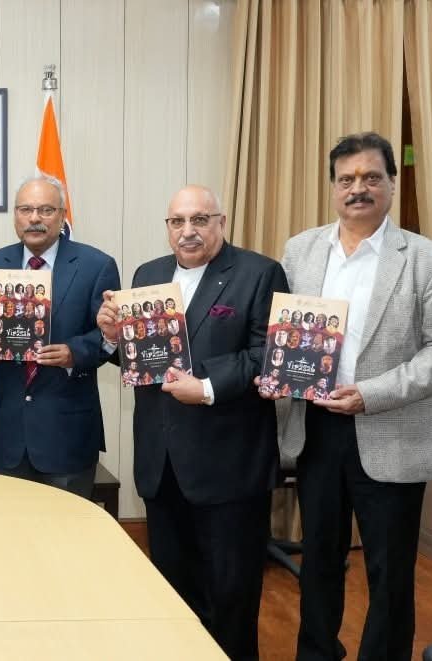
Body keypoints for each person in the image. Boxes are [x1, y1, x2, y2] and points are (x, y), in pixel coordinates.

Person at [267, 132, 432, 661]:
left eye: (371, 177)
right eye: (346, 179)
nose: (358, 188)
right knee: (319, 558)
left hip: (390, 429)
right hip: (315, 428)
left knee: (389, 570)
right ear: (333, 187)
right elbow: (283, 331)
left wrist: (371, 394)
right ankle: (317, 653)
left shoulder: (430, 260)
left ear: (391, 183)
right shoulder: (300, 250)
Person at [96, 185, 288, 660]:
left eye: (200, 219)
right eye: (178, 221)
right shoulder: (148, 275)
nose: (188, 231)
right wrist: (113, 338)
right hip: (161, 466)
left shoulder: (259, 273)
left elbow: (268, 353)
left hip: (229, 467)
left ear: (221, 222)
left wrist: (205, 387)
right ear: (167, 227)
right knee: (172, 593)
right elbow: (141, 360)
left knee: (231, 596)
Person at [0, 177, 119, 497]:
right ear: (15, 216)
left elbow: (109, 335)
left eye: (46, 210)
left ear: (62, 216)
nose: (34, 218)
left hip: (68, 434)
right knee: (10, 526)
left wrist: (74, 353)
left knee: (67, 528)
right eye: (26, 209)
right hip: (9, 434)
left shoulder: (96, 265)